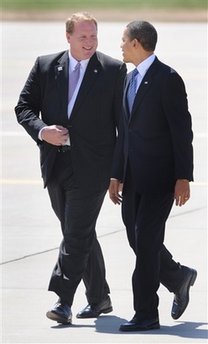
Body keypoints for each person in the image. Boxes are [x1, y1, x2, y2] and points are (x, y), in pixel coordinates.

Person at [15, 12, 126, 325]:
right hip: (55, 164)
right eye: (83, 37)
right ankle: (100, 297)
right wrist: (42, 130)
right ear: (68, 37)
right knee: (77, 231)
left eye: (94, 36)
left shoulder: (113, 70)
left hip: (93, 168)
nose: (89, 43)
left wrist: (119, 171)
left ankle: (63, 299)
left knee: (75, 232)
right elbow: (23, 108)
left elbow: (123, 125)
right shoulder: (46, 65)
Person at [109, 20, 197, 331]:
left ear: (136, 43)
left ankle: (146, 313)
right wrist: (115, 174)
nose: (120, 45)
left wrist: (183, 176)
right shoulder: (128, 80)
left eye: (123, 40)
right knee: (137, 239)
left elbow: (181, 131)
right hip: (132, 178)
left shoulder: (168, 78)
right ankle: (177, 276)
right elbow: (125, 133)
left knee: (146, 241)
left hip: (161, 179)